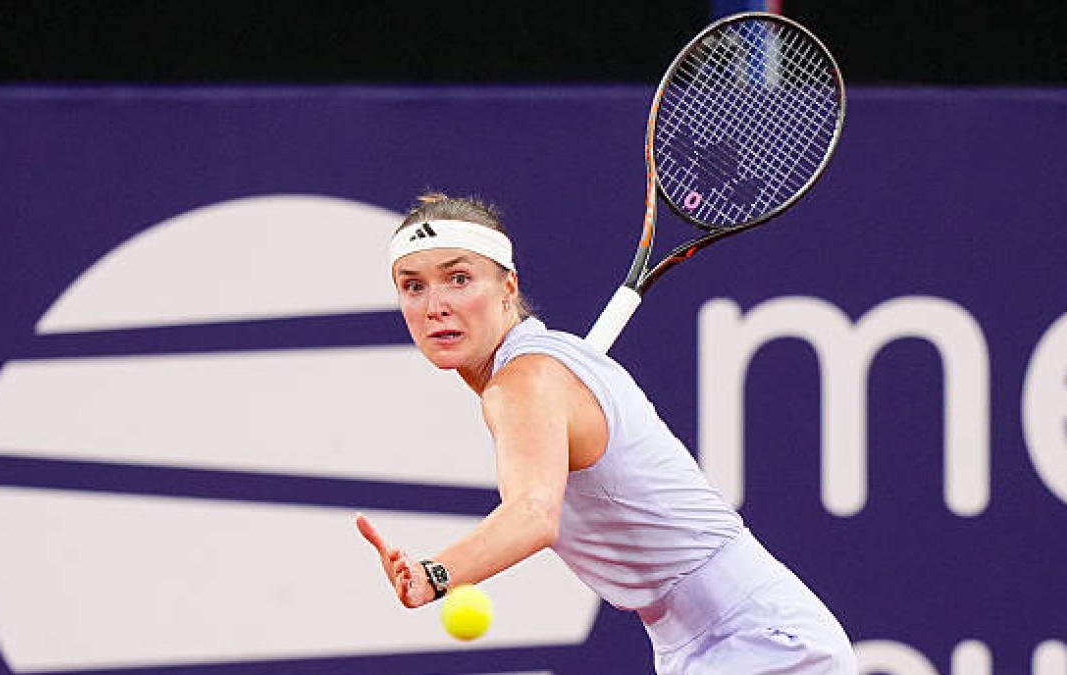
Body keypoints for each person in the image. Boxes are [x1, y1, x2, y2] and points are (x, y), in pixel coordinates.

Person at [356, 192, 857, 674]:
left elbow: (531, 516)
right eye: (413, 285)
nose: (435, 305)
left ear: (508, 288)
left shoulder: (524, 382)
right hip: (720, 638)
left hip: (756, 642)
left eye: (459, 279)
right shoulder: (548, 365)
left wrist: (434, 575)